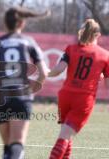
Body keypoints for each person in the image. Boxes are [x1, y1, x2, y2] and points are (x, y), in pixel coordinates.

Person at [0, 7, 49, 159]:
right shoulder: (28, 42)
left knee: (8, 147)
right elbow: (43, 72)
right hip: (20, 97)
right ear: (22, 23)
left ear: (5, 23)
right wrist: (31, 90)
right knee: (16, 145)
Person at [48, 19, 109, 159]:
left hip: (65, 96)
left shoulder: (71, 48)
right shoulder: (105, 55)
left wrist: (45, 73)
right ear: (98, 35)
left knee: (66, 134)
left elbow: (58, 70)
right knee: (64, 137)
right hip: (83, 100)